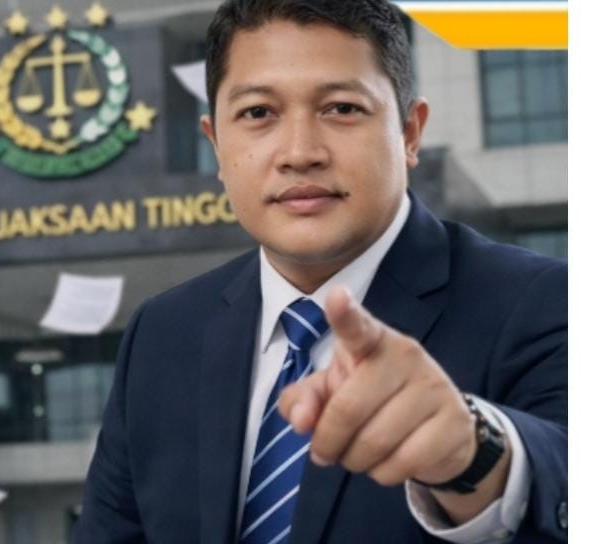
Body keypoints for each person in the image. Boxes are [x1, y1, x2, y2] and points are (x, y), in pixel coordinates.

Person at [72, 0, 567, 542]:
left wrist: (474, 454)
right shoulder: (162, 333)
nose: (300, 153)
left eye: (341, 108)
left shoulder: (547, 302)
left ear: (409, 133)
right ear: (216, 145)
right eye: (258, 113)